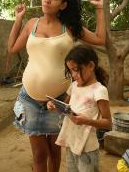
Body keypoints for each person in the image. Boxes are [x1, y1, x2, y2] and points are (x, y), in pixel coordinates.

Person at [7, 0, 106, 172]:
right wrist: (18, 19)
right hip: (30, 99)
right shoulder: (31, 24)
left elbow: (100, 38)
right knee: (39, 155)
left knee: (54, 152)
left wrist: (100, 9)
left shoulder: (69, 27)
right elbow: (11, 48)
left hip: (59, 101)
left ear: (63, 5)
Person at [47, 44, 111, 172]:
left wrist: (86, 121)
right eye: (70, 70)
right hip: (71, 142)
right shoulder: (74, 86)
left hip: (87, 147)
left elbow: (108, 123)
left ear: (91, 66)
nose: (73, 75)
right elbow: (66, 107)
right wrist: (54, 105)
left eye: (76, 69)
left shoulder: (99, 91)